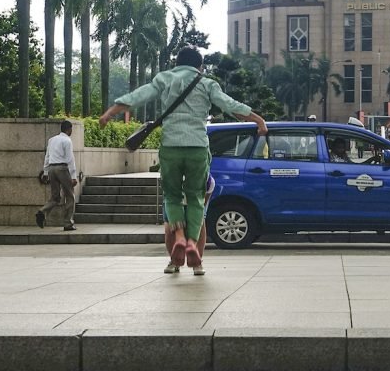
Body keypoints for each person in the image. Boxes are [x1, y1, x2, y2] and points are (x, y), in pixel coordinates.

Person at [100, 46, 267, 271]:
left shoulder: (165, 78)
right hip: (197, 147)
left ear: (177, 63)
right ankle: (191, 243)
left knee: (172, 195)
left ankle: (178, 236)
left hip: (171, 147)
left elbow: (140, 95)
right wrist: (258, 120)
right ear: (200, 66)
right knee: (196, 197)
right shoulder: (207, 83)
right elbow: (230, 105)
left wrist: (111, 111)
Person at [163, 174, 215, 276]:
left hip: (196, 196)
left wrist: (200, 209)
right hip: (173, 194)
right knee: (169, 228)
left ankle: (197, 262)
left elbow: (209, 190)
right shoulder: (171, 173)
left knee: (200, 225)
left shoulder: (205, 179)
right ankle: (174, 261)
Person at [37, 120, 79, 231]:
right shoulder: (67, 140)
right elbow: (70, 159)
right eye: (71, 130)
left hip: (51, 168)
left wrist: (45, 172)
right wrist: (74, 176)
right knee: (70, 196)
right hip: (62, 168)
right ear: (69, 129)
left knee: (55, 197)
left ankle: (42, 211)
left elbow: (47, 156)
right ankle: (68, 223)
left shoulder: (52, 140)